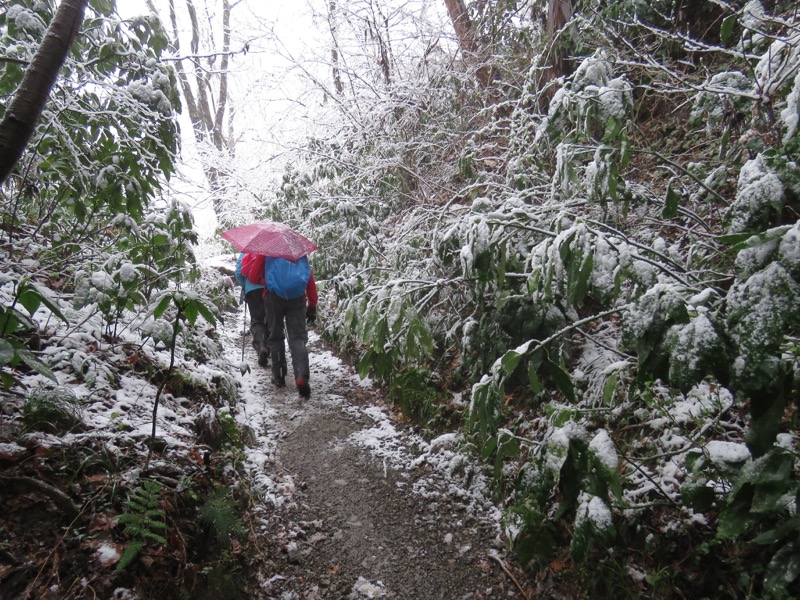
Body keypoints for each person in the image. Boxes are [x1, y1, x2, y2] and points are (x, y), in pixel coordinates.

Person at [263, 255, 318, 398]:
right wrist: (312, 303)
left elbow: (255, 274)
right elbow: (308, 276)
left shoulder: (268, 253)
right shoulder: (299, 254)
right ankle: (301, 375)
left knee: (275, 336)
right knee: (298, 338)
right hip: (297, 297)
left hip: (273, 297)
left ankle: (279, 376)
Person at [234, 252, 270, 367]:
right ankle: (270, 346)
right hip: (270, 289)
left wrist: (244, 285)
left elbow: (238, 271)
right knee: (270, 318)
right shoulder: (271, 250)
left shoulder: (247, 250)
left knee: (257, 319)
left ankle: (261, 346)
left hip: (252, 290)